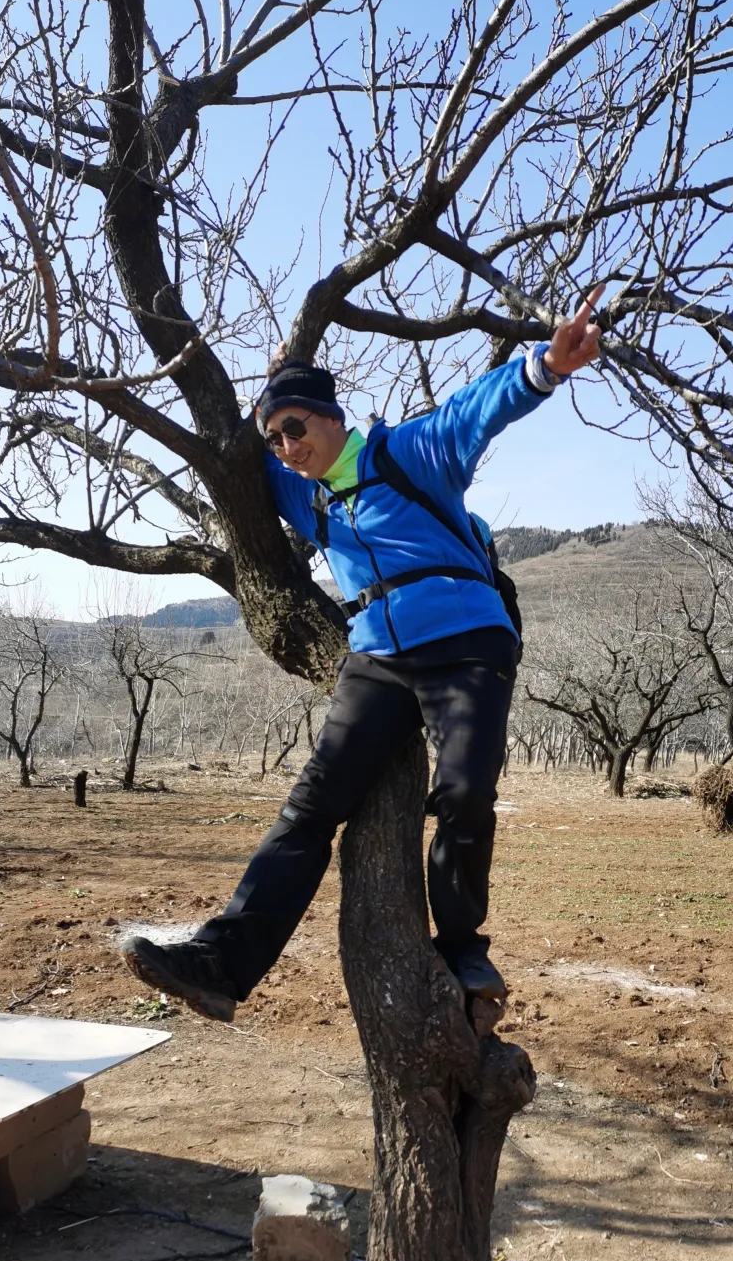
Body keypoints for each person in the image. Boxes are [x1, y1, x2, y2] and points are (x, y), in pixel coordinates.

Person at [122, 289, 603, 1023]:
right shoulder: (300, 494)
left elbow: (477, 409)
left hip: (467, 640)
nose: (284, 446)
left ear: (332, 417)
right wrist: (269, 389)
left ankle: (463, 947)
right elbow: (238, 451)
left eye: (294, 427)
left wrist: (544, 366)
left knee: (466, 793)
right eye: (274, 435)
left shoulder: (406, 453)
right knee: (312, 807)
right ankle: (223, 962)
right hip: (376, 653)